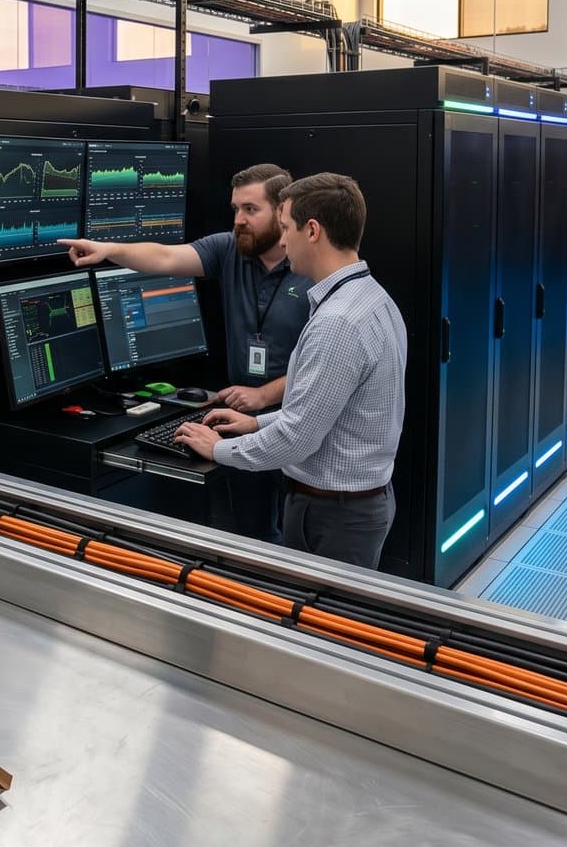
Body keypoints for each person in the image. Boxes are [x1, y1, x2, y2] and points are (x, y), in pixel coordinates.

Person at [59, 163, 311, 539]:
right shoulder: (229, 249)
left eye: (250, 210)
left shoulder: (310, 264)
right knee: (254, 535)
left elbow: (326, 365)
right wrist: (108, 249)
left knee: (299, 535)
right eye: (235, 209)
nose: (239, 220)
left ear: (282, 211)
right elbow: (163, 257)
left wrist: (265, 394)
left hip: (297, 419)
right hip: (240, 417)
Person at [173, 173, 407, 570]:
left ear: (312, 230)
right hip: (349, 507)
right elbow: (323, 411)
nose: (281, 242)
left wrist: (218, 450)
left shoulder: (338, 323)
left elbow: (298, 439)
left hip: (334, 517)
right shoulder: (370, 297)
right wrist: (256, 424)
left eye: (286, 229)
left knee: (325, 628)